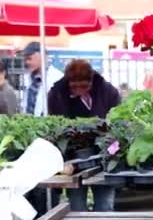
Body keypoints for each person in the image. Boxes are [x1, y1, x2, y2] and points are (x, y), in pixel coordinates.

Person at [48, 59, 121, 211]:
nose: (79, 90)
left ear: (92, 80)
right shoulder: (57, 94)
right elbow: (56, 126)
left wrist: (112, 150)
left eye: (84, 86)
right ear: (68, 82)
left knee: (105, 207)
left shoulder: (108, 92)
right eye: (74, 87)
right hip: (73, 159)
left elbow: (118, 125)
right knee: (76, 206)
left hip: (103, 158)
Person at [21, 42, 63, 116]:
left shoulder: (58, 78)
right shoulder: (26, 77)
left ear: (43, 56)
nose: (27, 62)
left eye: (29, 58)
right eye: (25, 59)